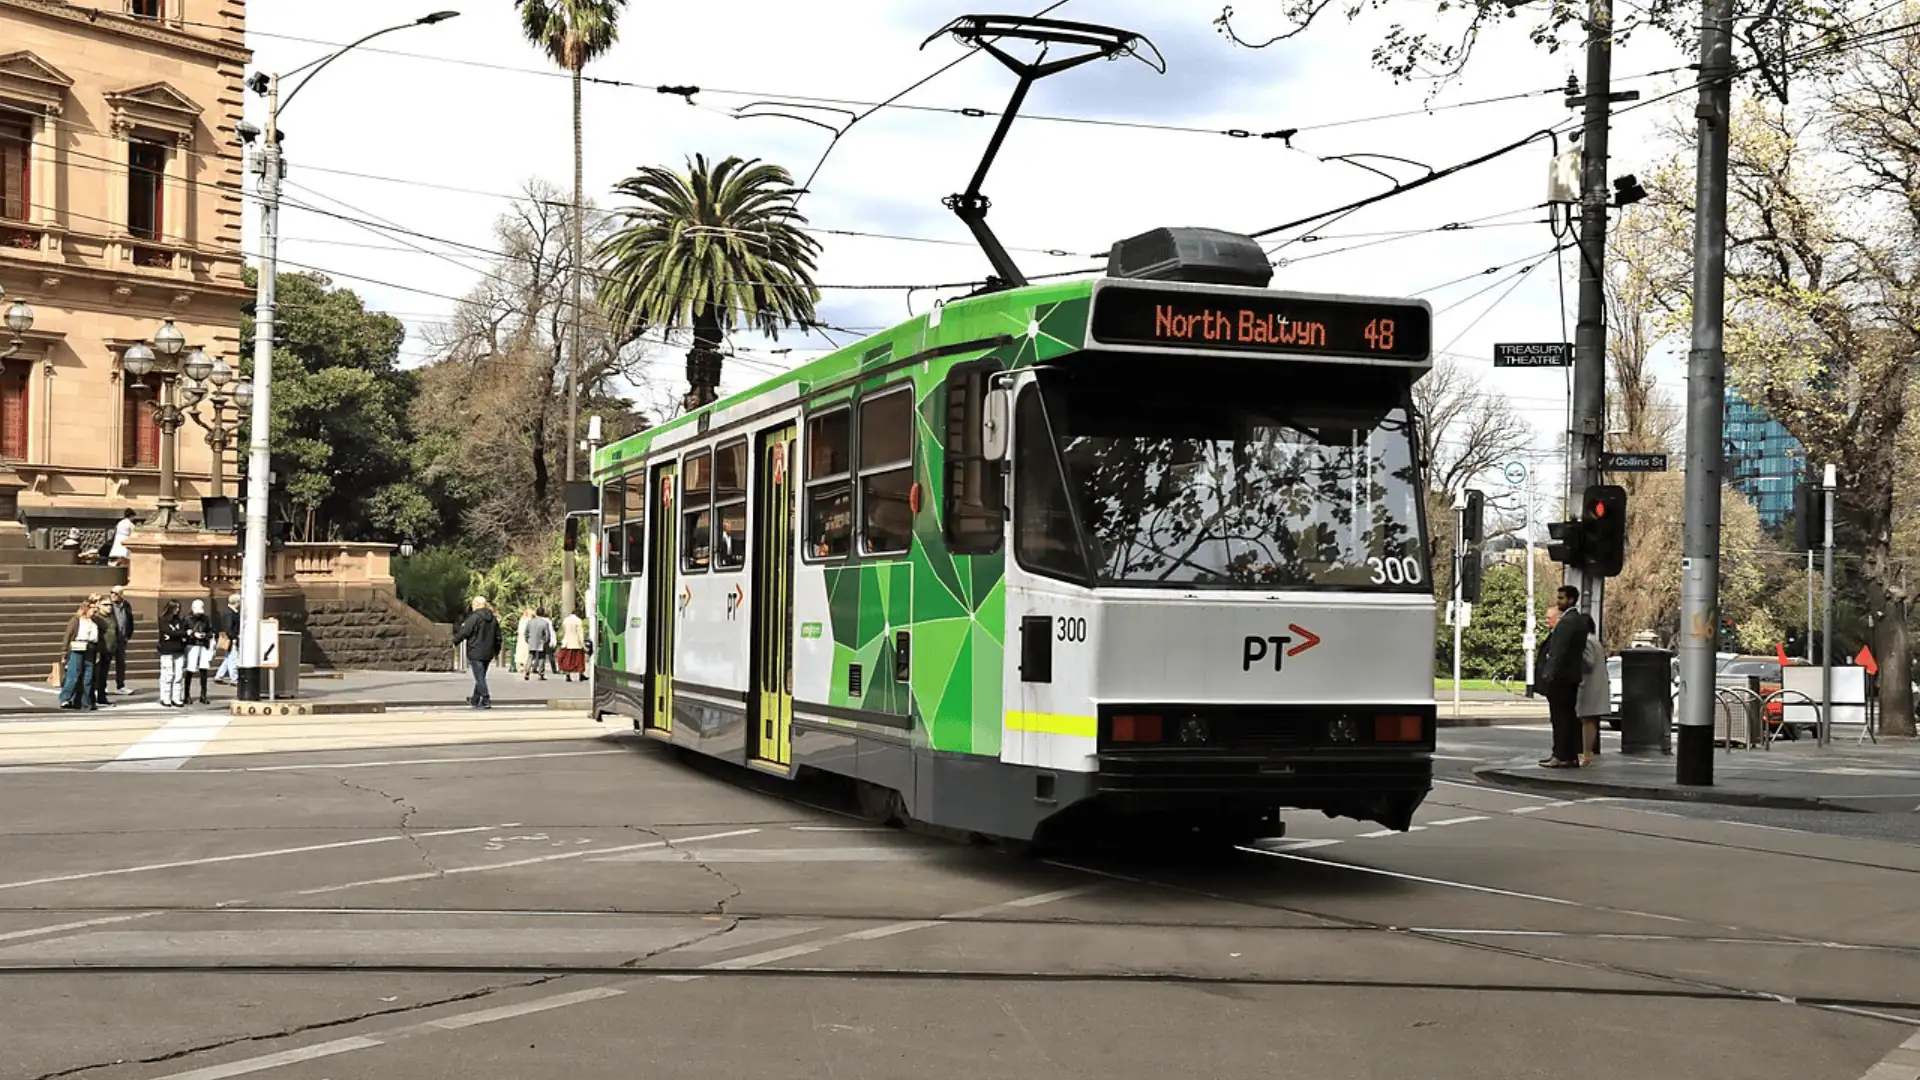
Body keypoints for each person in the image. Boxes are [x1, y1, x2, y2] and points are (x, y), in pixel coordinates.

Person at [1532, 585, 1593, 769]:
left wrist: (1548, 673)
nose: (1558, 601)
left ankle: (1559, 755)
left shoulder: (1567, 622)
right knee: (1568, 717)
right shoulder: (1579, 621)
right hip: (1571, 677)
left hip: (1561, 678)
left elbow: (1558, 651)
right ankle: (1570, 756)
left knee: (1560, 718)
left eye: (1561, 598)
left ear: (1571, 600)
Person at [452, 596, 502, 709]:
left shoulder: (474, 618)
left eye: (473, 604)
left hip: (475, 651)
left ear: (478, 605)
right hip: (488, 652)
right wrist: (496, 651)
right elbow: (498, 636)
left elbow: (465, 632)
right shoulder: (493, 619)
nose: (472, 606)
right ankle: (475, 699)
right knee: (481, 676)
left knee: (479, 677)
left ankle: (486, 698)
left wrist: (454, 641)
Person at [1575, 627, 1610, 767]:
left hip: (1589, 685)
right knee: (1590, 720)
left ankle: (1587, 753)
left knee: (1588, 720)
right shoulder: (1594, 640)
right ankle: (1587, 752)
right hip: (1595, 685)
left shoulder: (1586, 641)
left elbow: (1588, 662)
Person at [58, 599, 99, 711]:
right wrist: (64, 652)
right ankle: (65, 698)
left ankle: (85, 701)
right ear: (86, 609)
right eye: (93, 609)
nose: (95, 611)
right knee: (74, 675)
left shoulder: (95, 621)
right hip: (77, 648)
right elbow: (68, 635)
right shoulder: (76, 620)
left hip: (90, 648)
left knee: (88, 677)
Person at [156, 599, 190, 708]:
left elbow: (181, 633)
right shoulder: (163, 619)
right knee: (168, 674)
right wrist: (182, 634)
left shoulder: (180, 620)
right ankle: (165, 697)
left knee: (179, 675)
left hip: (179, 650)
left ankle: (177, 697)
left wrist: (179, 635)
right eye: (175, 608)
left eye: (179, 608)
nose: (177, 610)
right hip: (167, 650)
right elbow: (168, 632)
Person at [185, 598, 215, 705]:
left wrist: (205, 635)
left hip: (204, 645)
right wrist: (193, 634)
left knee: (204, 669)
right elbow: (185, 633)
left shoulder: (206, 618)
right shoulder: (187, 619)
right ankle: (186, 694)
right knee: (190, 669)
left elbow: (211, 631)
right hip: (192, 645)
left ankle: (203, 694)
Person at [108, 586, 135, 696]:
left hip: (122, 639)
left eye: (116, 593)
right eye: (112, 593)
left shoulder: (126, 605)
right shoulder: (107, 605)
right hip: (110, 639)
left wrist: (128, 634)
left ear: (121, 595)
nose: (113, 595)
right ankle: (100, 686)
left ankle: (120, 686)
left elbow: (130, 620)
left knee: (121, 663)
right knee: (105, 663)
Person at [214, 594, 241, 685]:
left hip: (231, 638)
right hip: (231, 639)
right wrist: (233, 638)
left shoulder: (231, 612)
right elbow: (228, 628)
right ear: (236, 602)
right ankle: (234, 679)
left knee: (228, 658)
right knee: (233, 659)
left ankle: (219, 676)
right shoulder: (230, 613)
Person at [523, 606, 554, 681]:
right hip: (541, 642)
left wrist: (527, 640)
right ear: (543, 613)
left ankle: (527, 671)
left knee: (530, 656)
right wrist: (545, 641)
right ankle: (541, 674)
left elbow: (526, 632)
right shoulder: (544, 623)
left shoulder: (530, 622)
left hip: (532, 642)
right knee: (541, 657)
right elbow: (547, 634)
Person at [556, 609, 586, 683]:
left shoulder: (566, 620)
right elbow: (580, 634)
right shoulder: (578, 621)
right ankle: (581, 675)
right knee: (579, 660)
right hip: (576, 643)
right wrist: (583, 644)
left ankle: (567, 675)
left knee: (567, 660)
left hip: (567, 642)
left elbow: (564, 631)